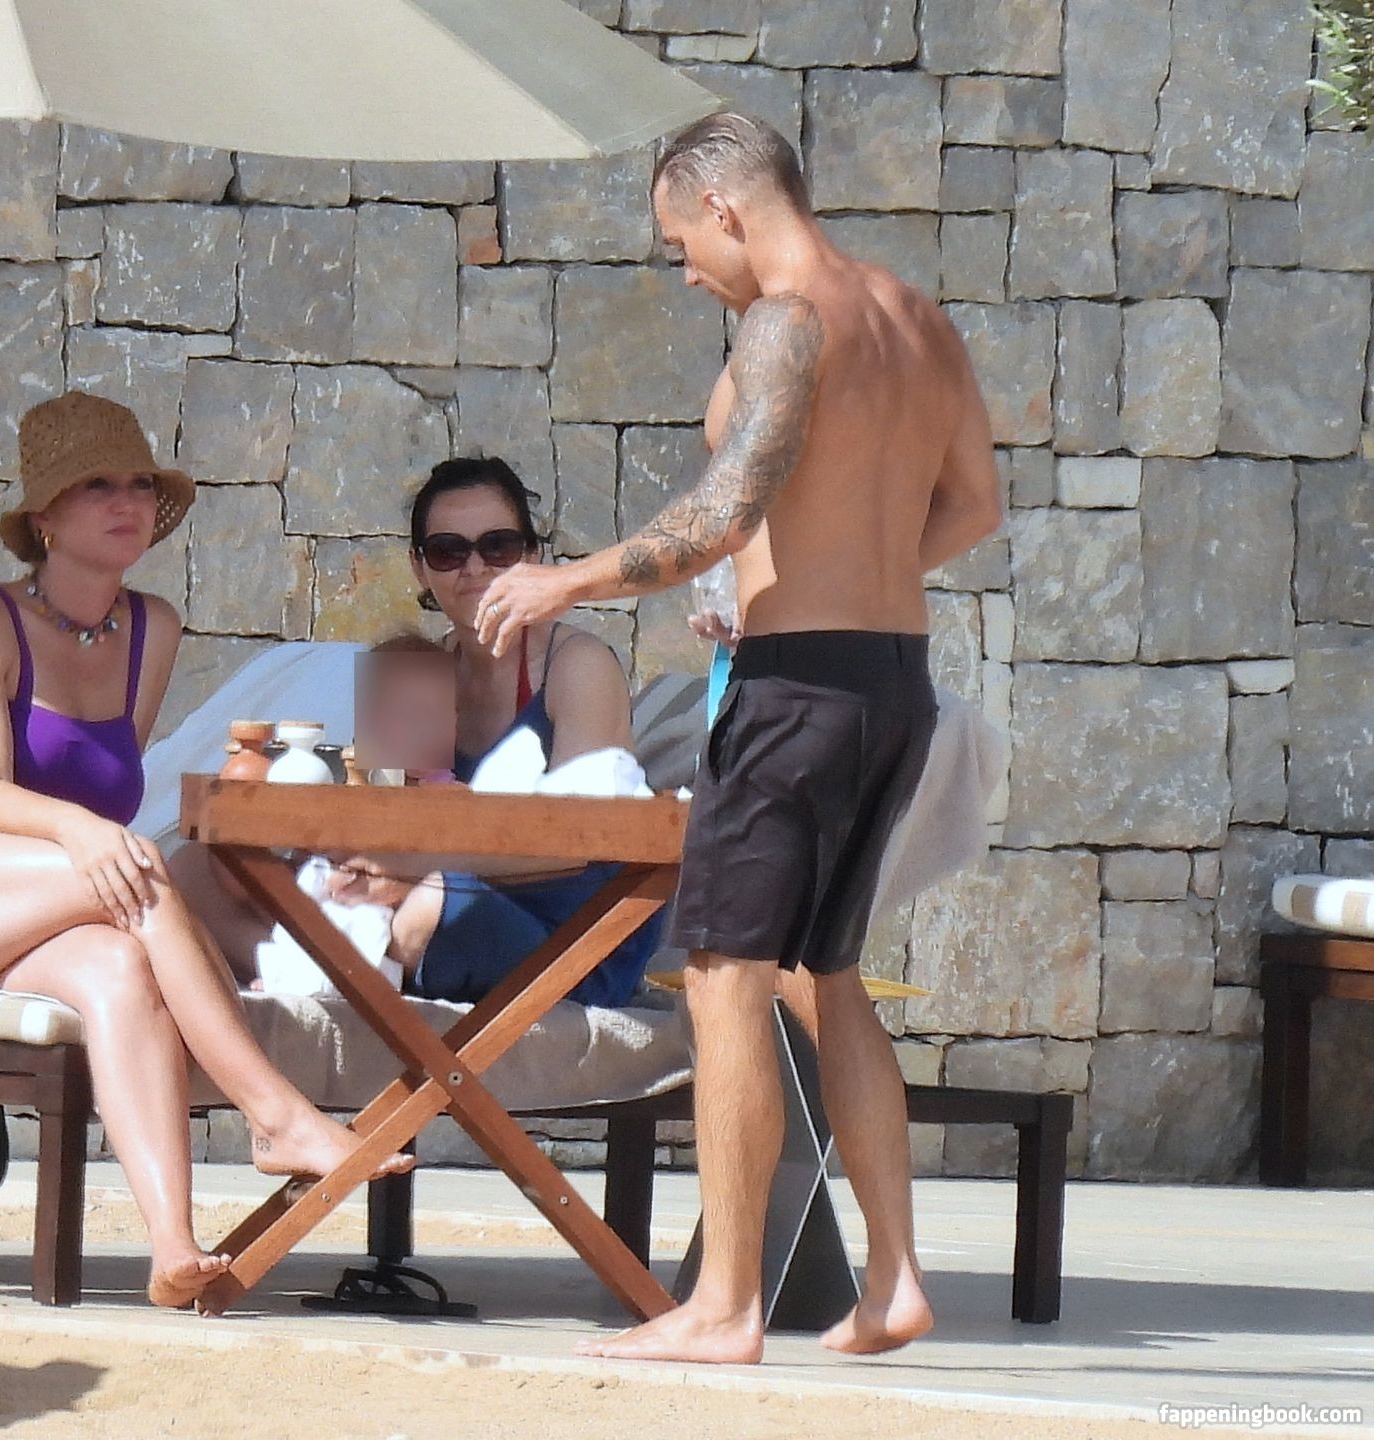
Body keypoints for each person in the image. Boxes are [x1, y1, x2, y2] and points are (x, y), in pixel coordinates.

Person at [474, 111, 1002, 1364]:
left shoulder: (783, 321)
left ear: (724, 208)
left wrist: (568, 579)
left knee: (723, 979)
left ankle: (723, 1305)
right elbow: (974, 504)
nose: (684, 271)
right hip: (890, 680)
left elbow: (725, 507)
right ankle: (893, 1280)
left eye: (678, 244)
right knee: (828, 975)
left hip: (793, 694)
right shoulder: (916, 316)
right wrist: (843, 579)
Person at [0, 391, 411, 1314]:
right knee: (138, 871)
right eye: (97, 486)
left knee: (119, 968)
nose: (126, 501)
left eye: (139, 484)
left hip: (31, 910)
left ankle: (173, 1248)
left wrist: (97, 838)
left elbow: (106, 790)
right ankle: (274, 1115)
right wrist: (88, 836)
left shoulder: (151, 629)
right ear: (45, 518)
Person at [172, 457, 667, 1007]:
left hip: (568, 931)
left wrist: (419, 862)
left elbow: (588, 839)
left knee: (432, 903)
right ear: (419, 567)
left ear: (531, 557)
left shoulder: (575, 666)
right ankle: (296, 969)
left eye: (498, 547)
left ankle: (318, 972)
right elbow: (382, 807)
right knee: (196, 868)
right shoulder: (416, 667)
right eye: (448, 551)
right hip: (423, 896)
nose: (474, 568)